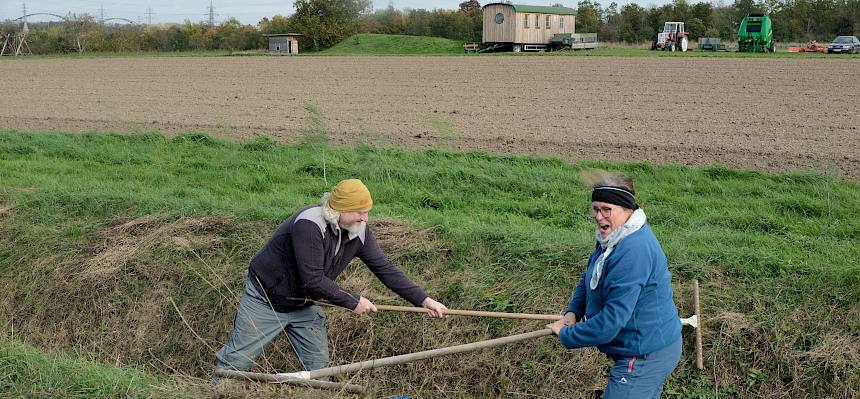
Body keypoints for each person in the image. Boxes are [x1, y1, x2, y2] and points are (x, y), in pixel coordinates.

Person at [213, 178, 447, 382]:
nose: (365, 218)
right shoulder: (309, 224)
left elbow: (384, 267)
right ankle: (218, 391)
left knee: (318, 369)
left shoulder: (359, 230)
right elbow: (313, 279)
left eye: (367, 211)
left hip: (303, 305)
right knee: (235, 363)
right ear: (341, 209)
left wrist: (424, 300)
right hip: (265, 300)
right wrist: (354, 301)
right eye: (360, 211)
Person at [547, 173, 682, 398]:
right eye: (595, 209)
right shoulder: (613, 238)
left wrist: (566, 334)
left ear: (627, 209)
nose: (599, 217)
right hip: (644, 345)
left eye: (606, 209)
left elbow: (611, 322)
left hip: (645, 353)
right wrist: (573, 312)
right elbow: (590, 277)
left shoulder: (633, 250)